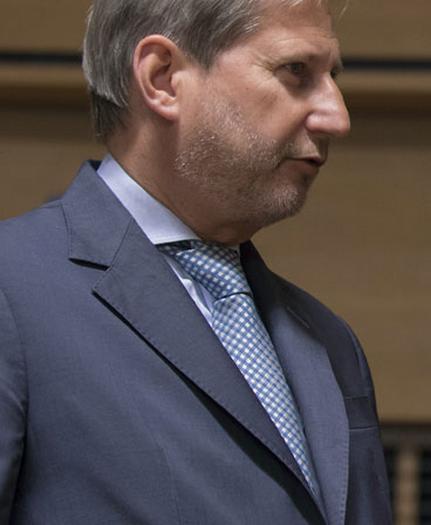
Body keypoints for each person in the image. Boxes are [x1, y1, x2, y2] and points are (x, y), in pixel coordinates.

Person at [0, 0, 391, 522]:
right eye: (296, 71)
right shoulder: (13, 289)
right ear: (162, 78)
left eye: (332, 77)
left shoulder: (330, 340)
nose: (337, 117)